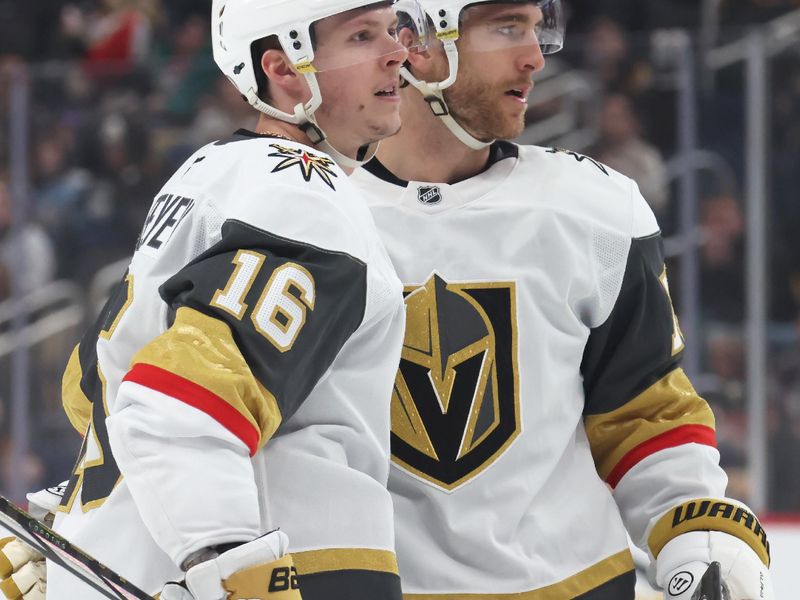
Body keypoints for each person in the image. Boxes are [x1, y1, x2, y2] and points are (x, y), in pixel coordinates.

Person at [0, 1, 431, 599]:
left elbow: (97, 383)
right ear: (284, 70)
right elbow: (174, 408)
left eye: (391, 31)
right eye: (361, 36)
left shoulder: (210, 171)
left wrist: (75, 512)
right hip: (283, 566)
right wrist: (231, 567)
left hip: (127, 561)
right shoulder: (307, 198)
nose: (397, 53)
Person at [350, 1, 774, 598]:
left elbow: (642, 409)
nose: (534, 58)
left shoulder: (593, 209)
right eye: (506, 28)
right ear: (415, 40)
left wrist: (698, 528)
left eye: (535, 29)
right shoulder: (301, 214)